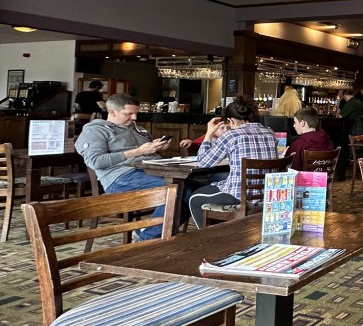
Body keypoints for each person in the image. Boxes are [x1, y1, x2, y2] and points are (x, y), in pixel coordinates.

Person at [74, 93, 171, 240]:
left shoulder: (138, 129)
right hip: (120, 178)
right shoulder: (95, 130)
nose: (134, 118)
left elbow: (146, 154)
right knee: (177, 189)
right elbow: (96, 161)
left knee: (196, 190)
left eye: (136, 113)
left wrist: (158, 149)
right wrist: (139, 151)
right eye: (129, 114)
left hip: (151, 172)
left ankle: (151, 234)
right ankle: (147, 238)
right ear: (112, 112)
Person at [187, 96, 279, 227]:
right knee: (217, 185)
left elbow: (203, 162)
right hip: (267, 194)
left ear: (230, 120)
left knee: (194, 199)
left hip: (239, 196)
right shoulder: (269, 133)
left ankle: (208, 238)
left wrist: (209, 133)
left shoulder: (231, 136)